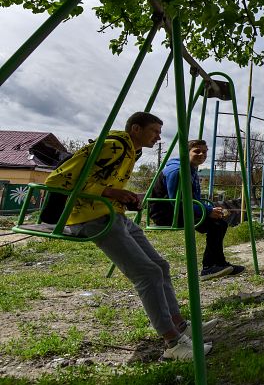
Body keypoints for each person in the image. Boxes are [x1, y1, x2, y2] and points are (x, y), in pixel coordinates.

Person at [45, 112, 216, 360]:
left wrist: (123, 195)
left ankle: (180, 324)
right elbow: (58, 179)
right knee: (146, 273)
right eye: (154, 131)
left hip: (113, 213)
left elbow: (100, 180)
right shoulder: (112, 146)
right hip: (90, 216)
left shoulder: (129, 151)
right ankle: (173, 343)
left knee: (160, 265)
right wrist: (109, 191)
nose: (158, 137)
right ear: (136, 129)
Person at [148, 139, 245, 281]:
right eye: (196, 151)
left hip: (178, 209)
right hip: (166, 213)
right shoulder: (178, 171)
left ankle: (218, 263)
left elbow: (193, 199)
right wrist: (206, 211)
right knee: (216, 225)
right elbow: (178, 201)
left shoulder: (191, 169)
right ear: (186, 153)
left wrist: (209, 209)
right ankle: (210, 267)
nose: (202, 154)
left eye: (204, 152)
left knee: (220, 223)